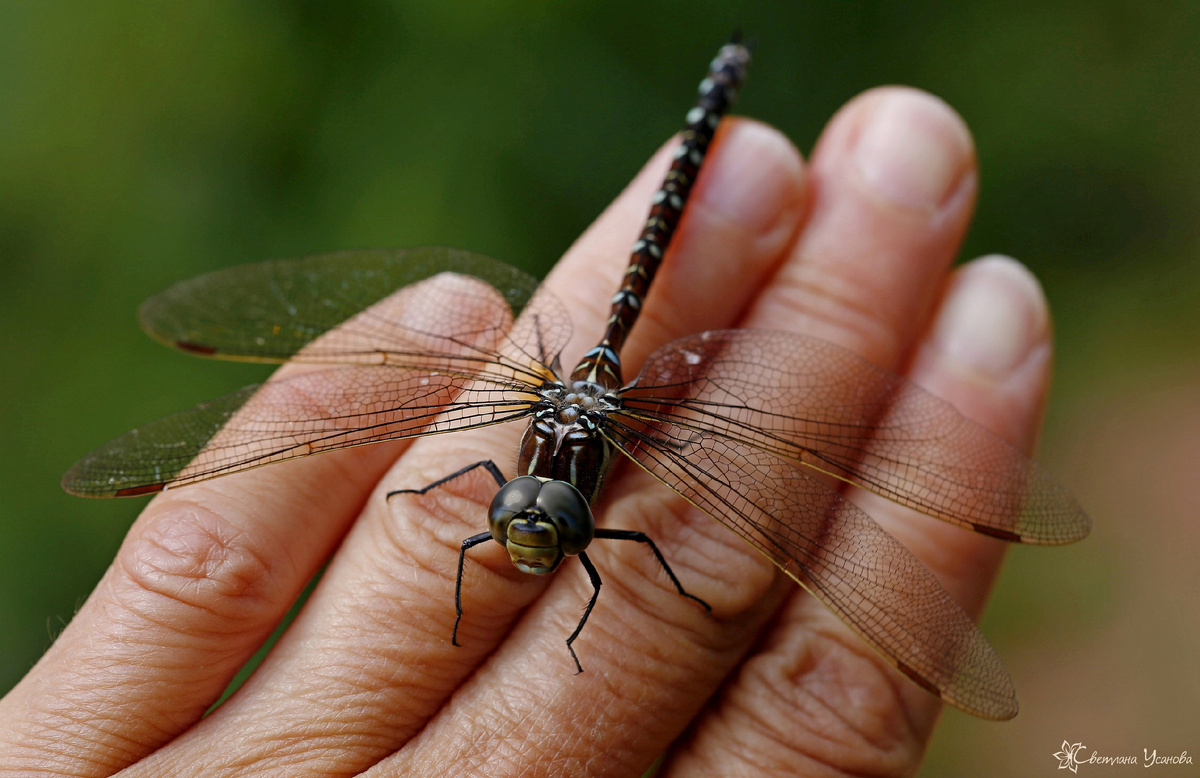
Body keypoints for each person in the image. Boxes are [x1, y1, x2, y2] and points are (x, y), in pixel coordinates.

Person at [0, 87, 1055, 776]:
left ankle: (713, 104)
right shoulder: (509, 479)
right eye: (526, 518)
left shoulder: (645, 448)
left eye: (532, 518)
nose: (528, 530)